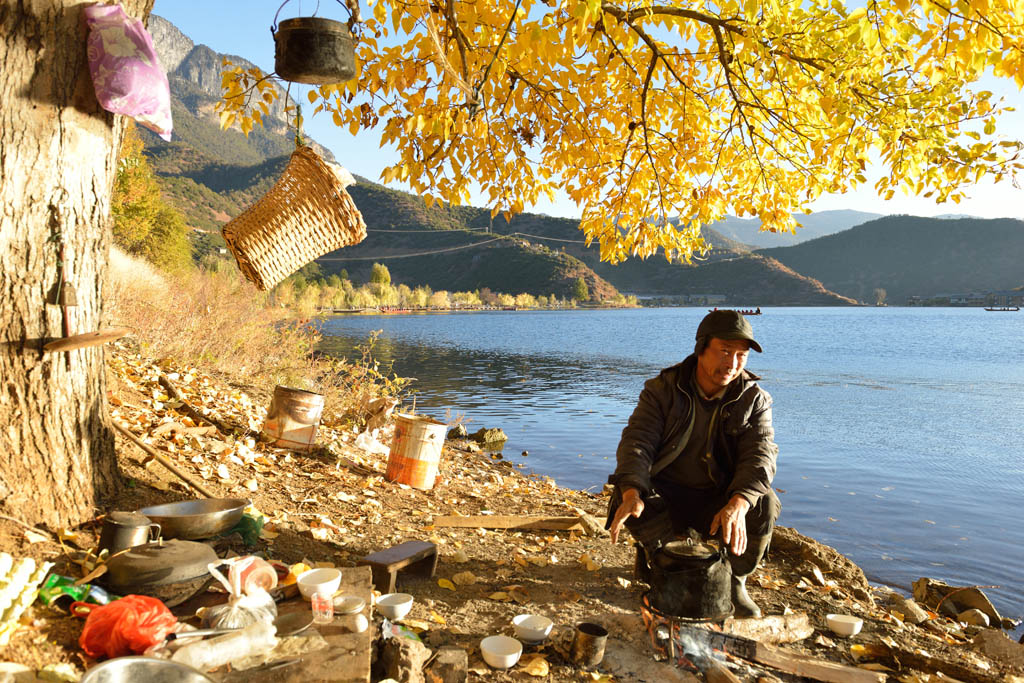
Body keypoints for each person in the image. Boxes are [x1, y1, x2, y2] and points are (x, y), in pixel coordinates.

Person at [606, 310, 780, 617]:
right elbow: (637, 442)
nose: (733, 363)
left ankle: (735, 581)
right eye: (725, 352)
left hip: (717, 499)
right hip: (666, 493)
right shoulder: (662, 389)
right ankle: (654, 557)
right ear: (701, 349)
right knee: (627, 493)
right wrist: (633, 491)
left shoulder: (755, 399)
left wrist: (738, 503)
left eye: (741, 355)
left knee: (763, 502)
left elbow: (761, 456)